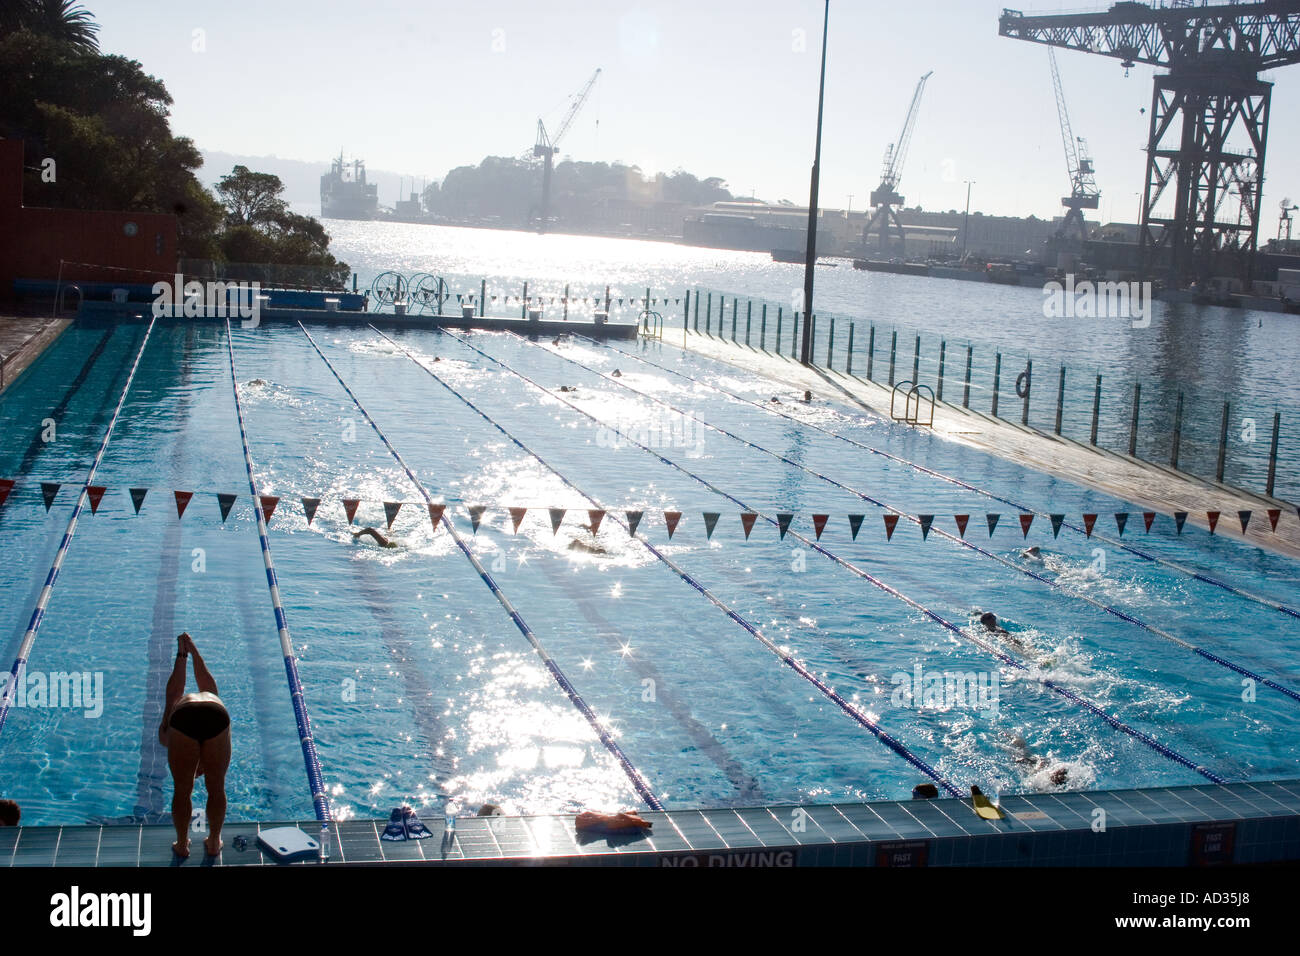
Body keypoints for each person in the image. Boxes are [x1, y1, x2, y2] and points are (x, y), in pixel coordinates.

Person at [159, 633, 230, 858]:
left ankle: (182, 845)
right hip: (215, 709)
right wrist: (190, 651)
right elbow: (204, 684)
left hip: (190, 713)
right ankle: (213, 842)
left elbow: (174, 692)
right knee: (216, 787)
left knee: (182, 790)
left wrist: (182, 656)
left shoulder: (166, 735)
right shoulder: (168, 733)